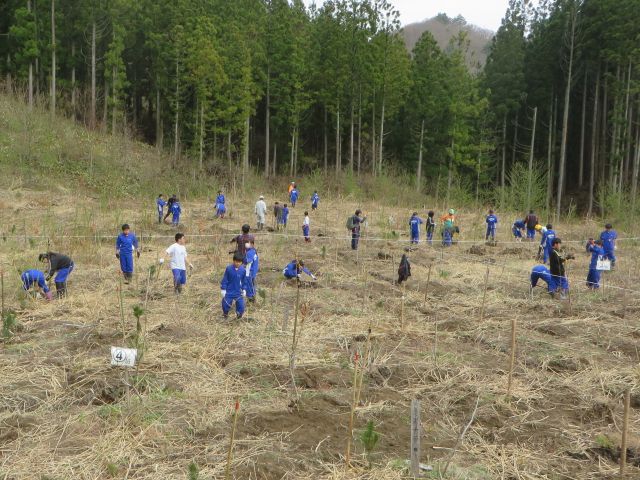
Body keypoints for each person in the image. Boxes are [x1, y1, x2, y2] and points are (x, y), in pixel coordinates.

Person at [220, 252, 246, 319]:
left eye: (239, 262)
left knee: (241, 305)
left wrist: (244, 289)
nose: (237, 263)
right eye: (235, 261)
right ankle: (225, 314)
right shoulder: (229, 269)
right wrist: (223, 289)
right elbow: (225, 279)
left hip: (238, 291)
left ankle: (239, 316)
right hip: (229, 291)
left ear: (242, 262)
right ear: (233, 260)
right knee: (225, 304)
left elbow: (244, 281)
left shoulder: (243, 270)